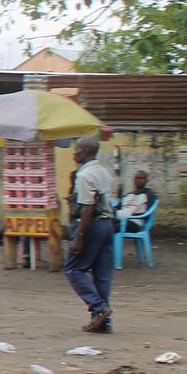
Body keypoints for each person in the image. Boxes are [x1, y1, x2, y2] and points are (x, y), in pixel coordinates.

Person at [65, 137, 117, 334]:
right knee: (102, 274)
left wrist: (79, 237)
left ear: (86, 152)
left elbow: (88, 208)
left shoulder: (84, 175)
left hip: (91, 225)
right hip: (106, 225)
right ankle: (103, 322)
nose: (74, 153)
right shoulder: (103, 171)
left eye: (77, 150)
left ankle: (99, 308)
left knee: (73, 268)